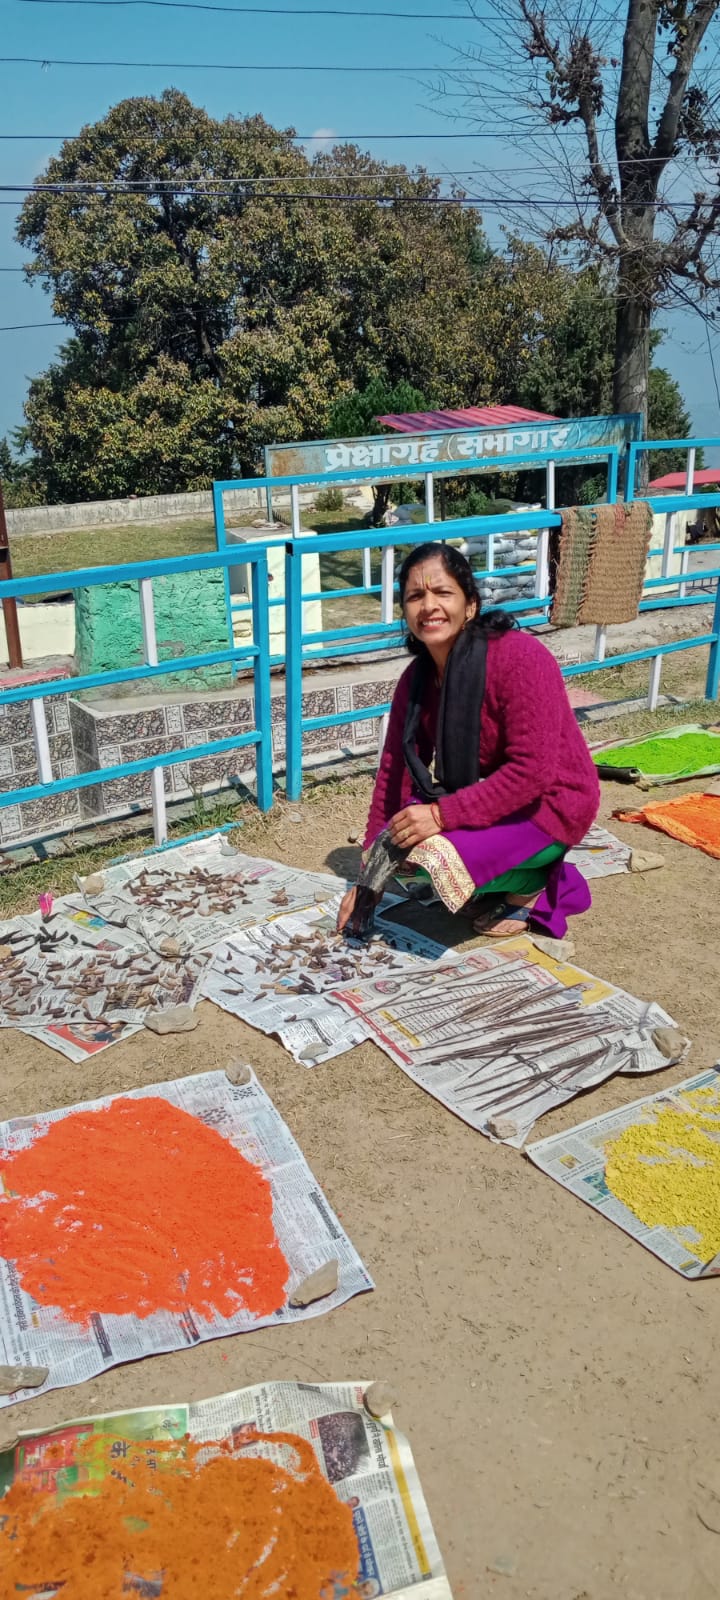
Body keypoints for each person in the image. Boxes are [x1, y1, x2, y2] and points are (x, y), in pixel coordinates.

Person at [337, 541, 600, 941]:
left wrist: (441, 816)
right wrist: (369, 879)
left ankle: (538, 884)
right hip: (492, 795)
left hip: (553, 802)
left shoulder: (520, 659)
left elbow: (532, 772)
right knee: (395, 844)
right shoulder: (417, 680)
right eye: (415, 596)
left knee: (433, 856)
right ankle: (498, 875)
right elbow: (394, 772)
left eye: (443, 592)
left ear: (471, 605)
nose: (429, 606)